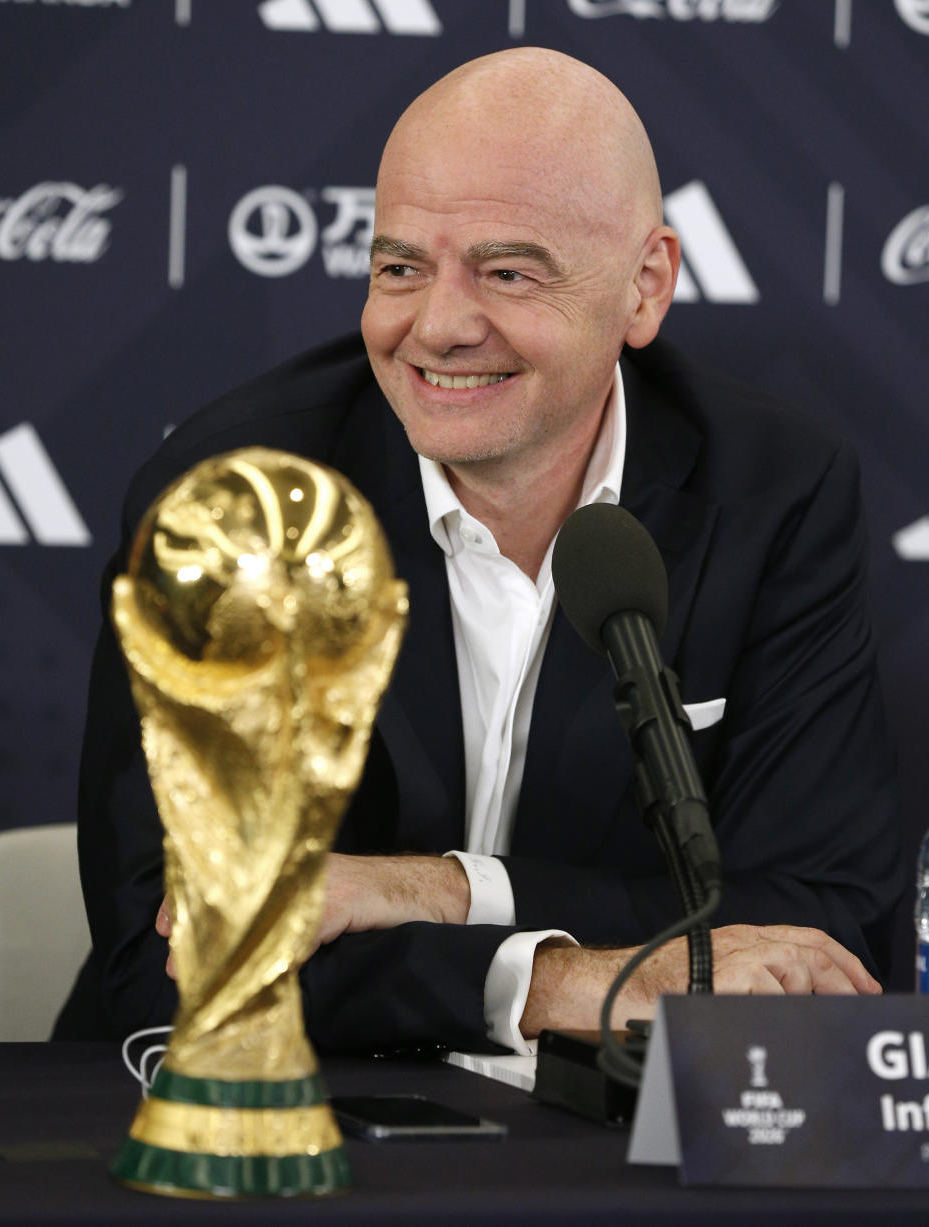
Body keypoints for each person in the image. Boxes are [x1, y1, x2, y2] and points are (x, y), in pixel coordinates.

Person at [55, 48, 901, 1053]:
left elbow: (816, 937)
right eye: (401, 268)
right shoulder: (237, 500)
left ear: (645, 287)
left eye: (507, 272)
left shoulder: (776, 495)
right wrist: (552, 983)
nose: (439, 326)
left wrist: (435, 888)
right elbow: (183, 954)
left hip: (611, 1152)